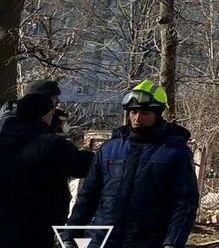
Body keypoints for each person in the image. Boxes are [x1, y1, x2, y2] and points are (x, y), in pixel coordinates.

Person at [70, 80, 198, 248]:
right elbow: (88, 195)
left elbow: (185, 202)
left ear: (158, 114)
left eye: (145, 113)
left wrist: (172, 242)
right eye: (133, 112)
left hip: (148, 241)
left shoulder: (174, 152)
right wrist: (71, 233)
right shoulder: (109, 149)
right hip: (102, 240)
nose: (137, 118)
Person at [0, 93, 94, 248]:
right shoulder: (49, 144)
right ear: (45, 115)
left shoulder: (5, 138)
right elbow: (82, 165)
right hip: (36, 226)